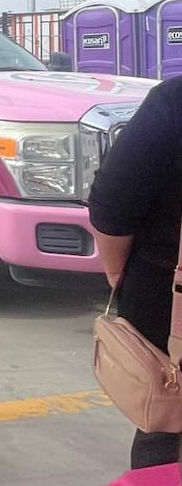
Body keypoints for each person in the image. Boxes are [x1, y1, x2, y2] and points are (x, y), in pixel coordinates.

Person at [88, 76, 182, 471]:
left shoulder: (174, 103)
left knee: (165, 423)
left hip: (167, 295)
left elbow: (111, 207)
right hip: (167, 289)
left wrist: (116, 271)